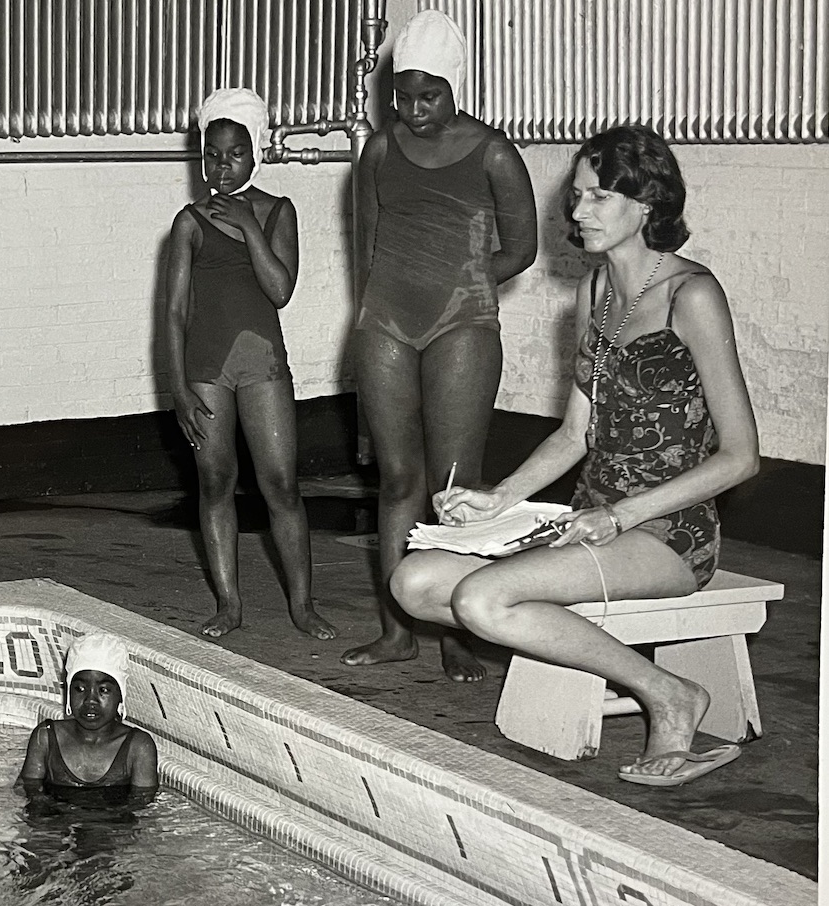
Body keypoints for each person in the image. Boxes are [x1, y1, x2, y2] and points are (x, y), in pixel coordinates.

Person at [390, 124, 760, 785]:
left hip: (670, 531)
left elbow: (740, 457)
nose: (577, 212)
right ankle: (638, 675)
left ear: (645, 203)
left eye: (596, 197)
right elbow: (574, 434)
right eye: (577, 197)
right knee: (413, 582)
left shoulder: (691, 296)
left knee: (482, 602)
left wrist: (624, 515)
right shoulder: (596, 292)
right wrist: (496, 499)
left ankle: (669, 694)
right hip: (591, 516)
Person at [342, 8, 538, 680]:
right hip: (386, 321)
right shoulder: (378, 150)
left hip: (463, 323)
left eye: (429, 95)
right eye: (402, 94)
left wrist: (471, 279)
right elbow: (364, 248)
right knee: (398, 478)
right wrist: (364, 339)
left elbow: (524, 247)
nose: (414, 109)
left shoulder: (492, 151)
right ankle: (398, 629)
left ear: (455, 87)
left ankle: (457, 629)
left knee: (454, 487)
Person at [164, 87, 337, 641]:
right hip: (206, 370)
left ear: (255, 151)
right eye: (211, 154)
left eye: (234, 153)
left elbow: (281, 289)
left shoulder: (279, 211)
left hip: (261, 365)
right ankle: (229, 603)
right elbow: (172, 313)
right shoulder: (188, 223)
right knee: (215, 481)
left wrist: (248, 223)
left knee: (281, 483)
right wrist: (177, 390)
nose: (221, 165)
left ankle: (303, 604)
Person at [17, 633, 158, 810]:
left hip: (110, 832)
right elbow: (26, 789)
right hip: (53, 829)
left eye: (104, 690)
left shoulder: (138, 747)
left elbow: (142, 806)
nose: (90, 700)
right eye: (80, 688)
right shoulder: (45, 737)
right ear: (68, 691)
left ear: (120, 695)